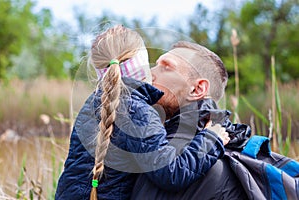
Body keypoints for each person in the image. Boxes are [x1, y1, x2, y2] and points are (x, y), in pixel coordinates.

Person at [55, 25, 229, 200]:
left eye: (166, 67)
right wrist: (212, 139)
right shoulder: (138, 111)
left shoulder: (94, 104)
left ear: (197, 88)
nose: (153, 73)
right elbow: (171, 173)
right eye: (150, 66)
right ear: (140, 68)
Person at [131, 41, 251, 199]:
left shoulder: (212, 166)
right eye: (155, 65)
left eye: (166, 67)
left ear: (197, 89)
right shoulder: (153, 144)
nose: (149, 73)